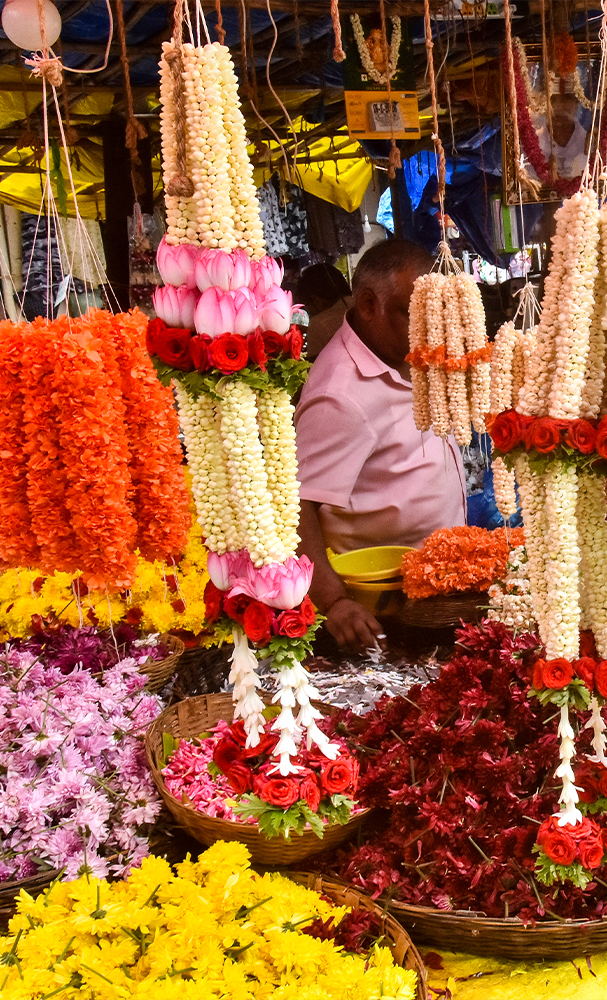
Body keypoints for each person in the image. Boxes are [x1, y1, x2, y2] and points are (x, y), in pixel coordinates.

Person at [295, 239, 466, 653]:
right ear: (370, 305)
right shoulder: (341, 396)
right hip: (387, 609)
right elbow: (296, 506)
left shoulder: (406, 354)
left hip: (439, 591)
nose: (431, 330)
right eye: (416, 315)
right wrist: (333, 601)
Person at [296, 263, 353, 360]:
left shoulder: (319, 325)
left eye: (307, 306)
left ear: (316, 301)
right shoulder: (362, 305)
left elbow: (315, 371)